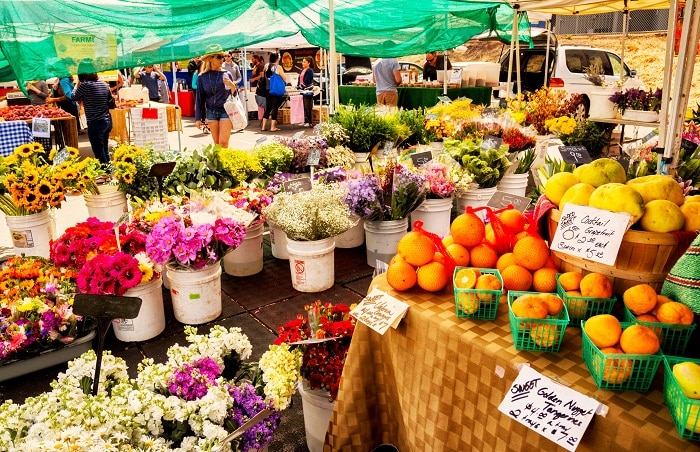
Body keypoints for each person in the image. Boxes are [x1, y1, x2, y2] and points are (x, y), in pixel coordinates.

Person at [194, 45, 237, 148]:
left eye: (222, 57)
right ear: (210, 58)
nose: (222, 59)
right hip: (211, 112)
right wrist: (198, 118)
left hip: (226, 111)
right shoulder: (202, 77)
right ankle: (220, 164)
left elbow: (234, 96)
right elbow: (199, 98)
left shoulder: (227, 74)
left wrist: (232, 86)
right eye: (218, 57)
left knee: (223, 142)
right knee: (217, 144)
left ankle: (226, 163)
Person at [71, 62, 113, 166]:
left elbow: (73, 97)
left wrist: (76, 84)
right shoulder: (103, 84)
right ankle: (108, 171)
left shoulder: (85, 85)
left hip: (95, 122)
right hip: (107, 120)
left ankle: (105, 174)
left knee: (98, 150)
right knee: (104, 148)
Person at [261, 53, 286, 132]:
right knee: (275, 107)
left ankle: (263, 127)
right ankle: (273, 127)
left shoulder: (266, 66)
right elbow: (284, 78)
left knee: (268, 108)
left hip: (267, 89)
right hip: (275, 89)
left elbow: (263, 76)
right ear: (277, 59)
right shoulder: (278, 67)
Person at [297, 56, 315, 127]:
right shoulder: (302, 70)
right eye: (303, 61)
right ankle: (304, 120)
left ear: (309, 63)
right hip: (302, 91)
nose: (303, 63)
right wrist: (298, 86)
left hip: (307, 91)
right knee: (303, 106)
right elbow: (299, 80)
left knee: (307, 107)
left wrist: (300, 87)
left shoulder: (310, 70)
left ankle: (309, 122)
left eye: (304, 62)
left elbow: (307, 81)